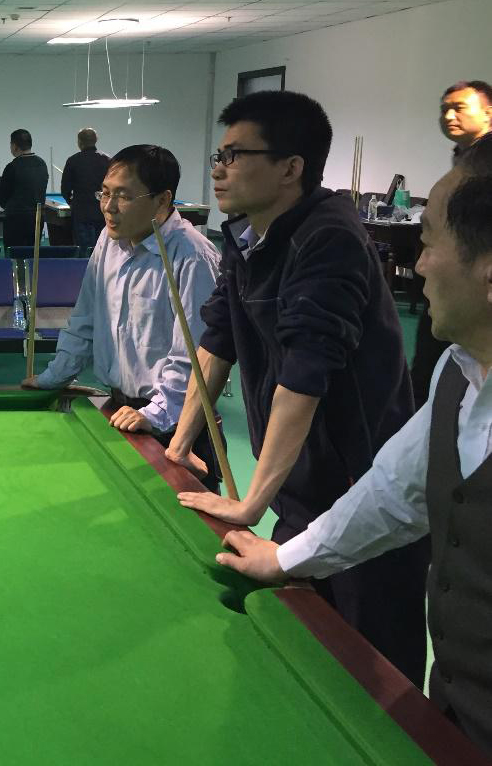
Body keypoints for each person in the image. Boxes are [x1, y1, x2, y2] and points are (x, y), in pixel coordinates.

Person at [215, 138, 492, 755]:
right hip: (458, 711)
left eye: (429, 244)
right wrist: (285, 560)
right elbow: (395, 493)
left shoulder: (328, 239)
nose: (418, 266)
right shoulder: (457, 372)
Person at [166, 90, 428, 686]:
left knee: (373, 680)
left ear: (290, 168)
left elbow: (302, 379)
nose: (218, 169)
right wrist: (178, 448)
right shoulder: (245, 235)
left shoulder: (329, 238)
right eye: (218, 155)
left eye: (235, 155)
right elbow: (217, 343)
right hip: (302, 495)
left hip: (364, 499)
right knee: (307, 652)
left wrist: (249, 504)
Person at [22, 145, 221, 488]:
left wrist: (155, 414)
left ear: (162, 200)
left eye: (124, 196)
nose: (109, 207)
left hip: (179, 426)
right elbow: (85, 319)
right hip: (121, 411)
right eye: (105, 193)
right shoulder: (109, 240)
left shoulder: (192, 255)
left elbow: (195, 357)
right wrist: (53, 378)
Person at [413, 80, 492, 405]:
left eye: (459, 108)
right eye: (444, 109)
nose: (448, 116)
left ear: (488, 113)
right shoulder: (460, 162)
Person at [0, 128, 49, 248]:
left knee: (14, 252)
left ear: (15, 146)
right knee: (33, 252)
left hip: (15, 218)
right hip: (37, 216)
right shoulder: (42, 164)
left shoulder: (12, 167)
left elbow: (2, 195)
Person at [61, 128, 111, 249]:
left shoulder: (73, 160)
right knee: (102, 249)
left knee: (84, 251)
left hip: (81, 213)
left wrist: (72, 203)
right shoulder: (107, 160)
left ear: (79, 142)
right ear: (96, 140)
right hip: (102, 212)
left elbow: (65, 189)